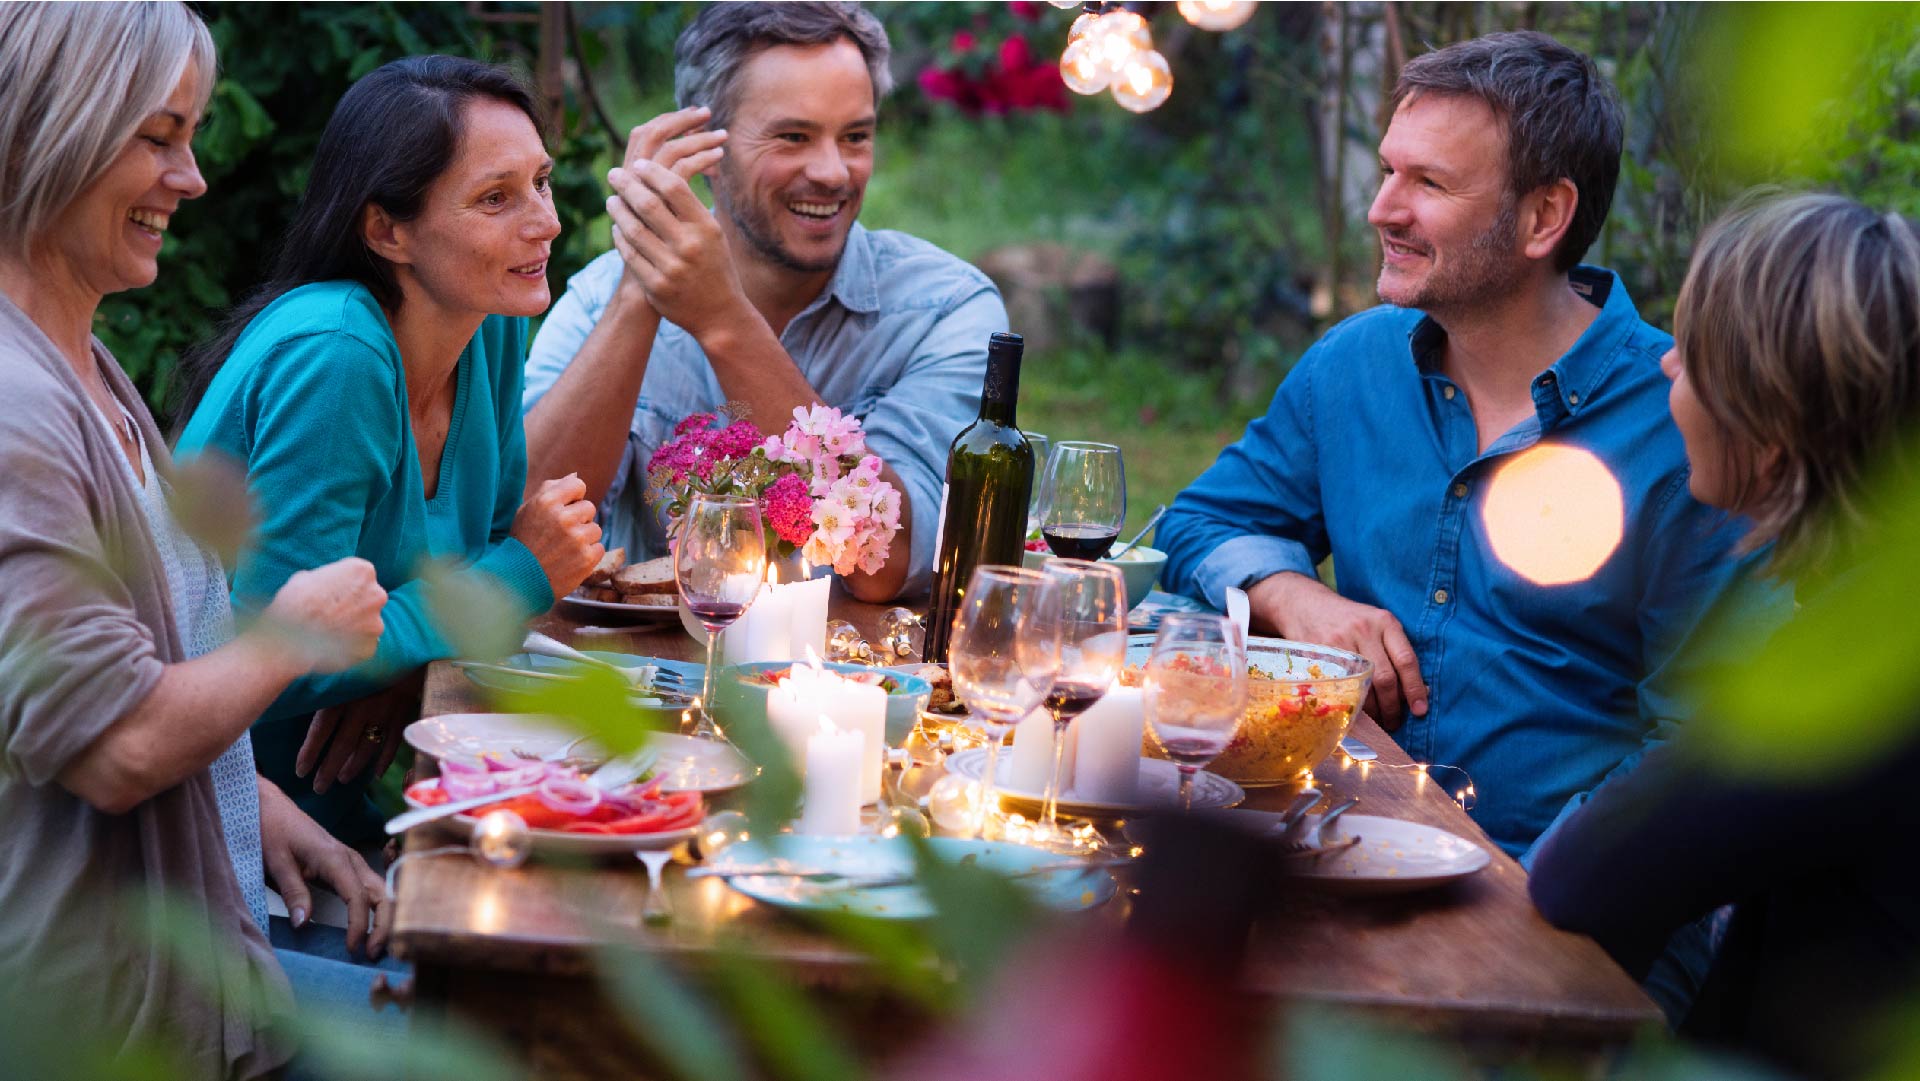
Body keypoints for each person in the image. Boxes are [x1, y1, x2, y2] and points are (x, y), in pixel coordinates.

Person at [1158, 30, 1774, 862]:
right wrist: (1293, 595)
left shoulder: (1680, 424)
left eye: (1430, 183)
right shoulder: (1354, 364)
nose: (1382, 209)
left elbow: (1705, 748)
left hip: (1560, 904)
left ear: (1543, 216)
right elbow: (1196, 525)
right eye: (1387, 170)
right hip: (1334, 846)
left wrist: (1539, 895)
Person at [0, 4, 394, 1075]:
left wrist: (248, 798)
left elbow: (122, 690)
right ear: (52, 132)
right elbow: (116, 745)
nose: (194, 177)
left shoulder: (86, 368)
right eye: (159, 136)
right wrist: (296, 635)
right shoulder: (17, 406)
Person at [1530, 194, 1920, 1080]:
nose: (1667, 359)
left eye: (1698, 354)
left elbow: (1582, 875)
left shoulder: (1863, 656)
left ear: (1776, 425)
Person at [175, 56, 606, 843]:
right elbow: (274, 659)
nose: (543, 221)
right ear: (387, 230)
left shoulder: (493, 316)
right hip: (236, 829)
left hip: (379, 794)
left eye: (540, 182)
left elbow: (457, 563)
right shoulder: (337, 357)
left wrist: (397, 662)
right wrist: (519, 573)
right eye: (495, 198)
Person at [523, 1, 1007, 601]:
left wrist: (724, 323)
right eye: (793, 136)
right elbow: (523, 533)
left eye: (855, 136)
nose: (833, 171)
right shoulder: (602, 297)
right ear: (703, 149)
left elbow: (890, 562)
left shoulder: (947, 310)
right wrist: (641, 292)